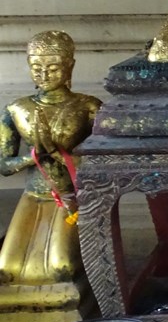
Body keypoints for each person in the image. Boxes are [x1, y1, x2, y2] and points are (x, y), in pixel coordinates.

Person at [0, 31, 101, 287]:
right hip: (34, 194)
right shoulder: (16, 109)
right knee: (6, 268)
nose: (44, 75)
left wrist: (59, 155)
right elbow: (4, 165)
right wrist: (31, 158)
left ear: (70, 67)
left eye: (53, 68)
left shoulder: (88, 107)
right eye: (36, 68)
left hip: (69, 196)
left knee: (60, 267)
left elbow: (103, 161)